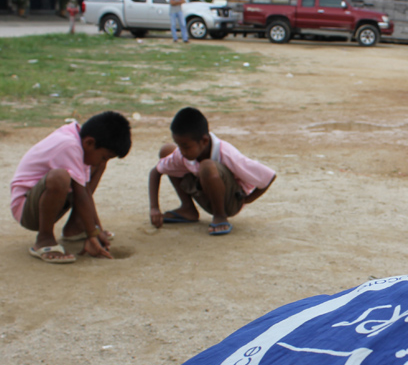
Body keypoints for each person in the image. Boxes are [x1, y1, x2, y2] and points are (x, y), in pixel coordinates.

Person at [9, 111, 131, 264]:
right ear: (89, 143)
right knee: (60, 177)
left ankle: (75, 228)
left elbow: (85, 191)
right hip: (27, 209)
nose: (103, 161)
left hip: (46, 203)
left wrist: (96, 229)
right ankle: (44, 238)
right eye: (104, 156)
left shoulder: (81, 141)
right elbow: (81, 194)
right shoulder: (69, 145)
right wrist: (92, 235)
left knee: (95, 166)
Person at [149, 107, 276, 236]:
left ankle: (220, 216)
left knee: (207, 166)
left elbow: (268, 176)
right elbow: (155, 172)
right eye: (179, 145)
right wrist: (154, 208)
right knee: (167, 151)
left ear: (204, 141)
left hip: (229, 203)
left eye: (186, 146)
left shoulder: (227, 153)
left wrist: (247, 200)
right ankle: (188, 209)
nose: (182, 151)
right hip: (205, 194)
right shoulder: (183, 154)